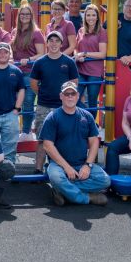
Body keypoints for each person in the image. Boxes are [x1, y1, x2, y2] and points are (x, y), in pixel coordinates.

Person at [41, 82, 110, 206]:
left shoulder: (87, 116)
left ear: (78, 95)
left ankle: (63, 191)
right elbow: (47, 146)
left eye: (73, 93)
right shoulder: (52, 117)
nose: (70, 97)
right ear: (61, 96)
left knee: (105, 180)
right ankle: (86, 198)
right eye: (66, 94)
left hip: (81, 163)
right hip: (58, 165)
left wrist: (88, 165)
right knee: (56, 177)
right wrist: (66, 167)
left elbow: (94, 142)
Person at [30, 31, 79, 172]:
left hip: (63, 107)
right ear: (47, 43)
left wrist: (66, 100)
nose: (53, 43)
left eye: (57, 40)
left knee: (63, 138)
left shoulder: (69, 62)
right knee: (41, 138)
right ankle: (38, 169)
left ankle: (62, 167)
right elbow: (33, 83)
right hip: (43, 105)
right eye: (50, 40)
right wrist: (43, 95)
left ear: (61, 43)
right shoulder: (40, 62)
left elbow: (74, 83)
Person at [11, 4, 45, 140]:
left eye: (27, 14)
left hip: (29, 72)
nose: (24, 16)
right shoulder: (15, 32)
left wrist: (29, 59)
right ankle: (14, 131)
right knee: (14, 102)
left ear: (31, 16)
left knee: (28, 102)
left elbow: (42, 54)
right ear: (18, 16)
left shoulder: (36, 33)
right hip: (15, 72)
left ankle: (26, 132)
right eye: (22, 14)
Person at [74, 4, 107, 116]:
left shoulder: (102, 32)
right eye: (88, 15)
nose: (91, 18)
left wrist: (85, 54)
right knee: (73, 96)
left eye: (93, 15)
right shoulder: (81, 31)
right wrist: (77, 55)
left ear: (97, 17)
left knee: (92, 101)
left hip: (95, 72)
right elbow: (75, 48)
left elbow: (102, 54)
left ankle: (92, 127)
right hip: (81, 70)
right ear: (85, 17)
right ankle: (86, 116)